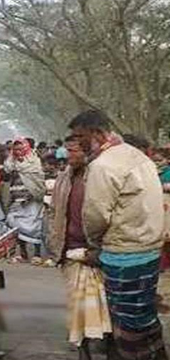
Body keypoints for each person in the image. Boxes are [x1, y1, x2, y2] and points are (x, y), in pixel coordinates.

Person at [69, 110, 167, 360]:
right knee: (144, 315)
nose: (76, 143)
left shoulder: (103, 165)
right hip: (149, 248)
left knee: (127, 324)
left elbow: (95, 216)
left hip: (124, 252)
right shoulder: (135, 155)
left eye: (80, 137)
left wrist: (93, 244)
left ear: (98, 133)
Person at [48, 136, 112, 360]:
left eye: (74, 151)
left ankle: (106, 349)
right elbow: (54, 210)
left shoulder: (98, 176)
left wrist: (100, 250)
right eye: (68, 151)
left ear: (87, 152)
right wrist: (55, 241)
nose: (69, 155)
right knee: (79, 311)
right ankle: (84, 353)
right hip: (71, 254)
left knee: (103, 310)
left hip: (96, 253)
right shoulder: (64, 177)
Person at [4, 137, 47, 265]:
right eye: (15, 150)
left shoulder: (34, 162)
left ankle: (37, 254)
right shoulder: (10, 163)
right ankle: (23, 253)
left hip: (32, 200)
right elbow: (7, 177)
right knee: (17, 226)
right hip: (16, 199)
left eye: (20, 149)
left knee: (35, 226)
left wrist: (31, 194)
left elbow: (38, 181)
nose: (18, 152)